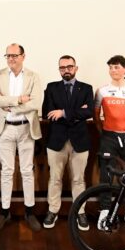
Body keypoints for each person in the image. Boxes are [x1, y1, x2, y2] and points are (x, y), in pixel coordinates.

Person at [0, 43, 43, 232]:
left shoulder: (33, 76)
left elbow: (36, 102)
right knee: (6, 171)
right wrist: (19, 99)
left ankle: (29, 212)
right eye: (8, 55)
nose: (11, 59)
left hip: (26, 128)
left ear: (23, 56)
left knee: (27, 171)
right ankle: (5, 212)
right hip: (5, 129)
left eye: (14, 55)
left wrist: (9, 104)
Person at [42, 55, 94, 230]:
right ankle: (53, 210)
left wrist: (63, 113)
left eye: (69, 67)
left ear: (76, 68)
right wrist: (77, 112)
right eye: (62, 67)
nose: (66, 70)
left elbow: (89, 112)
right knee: (55, 179)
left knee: (78, 179)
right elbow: (48, 112)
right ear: (59, 70)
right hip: (56, 140)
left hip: (80, 141)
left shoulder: (86, 88)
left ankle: (80, 211)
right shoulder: (52, 87)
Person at [94, 55, 125, 231]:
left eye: (117, 67)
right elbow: (96, 115)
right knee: (106, 176)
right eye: (111, 67)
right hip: (109, 137)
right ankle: (105, 210)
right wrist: (105, 133)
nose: (113, 70)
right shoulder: (102, 91)